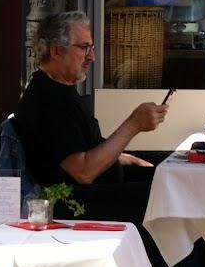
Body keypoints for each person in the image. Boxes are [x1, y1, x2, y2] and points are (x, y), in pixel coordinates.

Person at [11, 10, 166, 194]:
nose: (92, 57)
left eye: (91, 48)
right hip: (87, 203)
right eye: (84, 47)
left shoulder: (60, 89)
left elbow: (88, 149)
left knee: (166, 176)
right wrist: (134, 124)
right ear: (56, 51)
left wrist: (126, 158)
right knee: (170, 192)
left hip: (106, 189)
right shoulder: (48, 100)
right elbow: (84, 172)